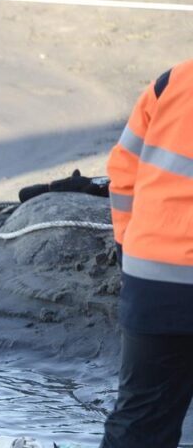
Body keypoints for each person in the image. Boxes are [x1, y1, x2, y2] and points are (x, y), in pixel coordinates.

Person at [101, 61, 193, 448]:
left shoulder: (174, 80)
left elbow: (123, 172)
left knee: (140, 420)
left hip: (153, 278)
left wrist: (130, 248)